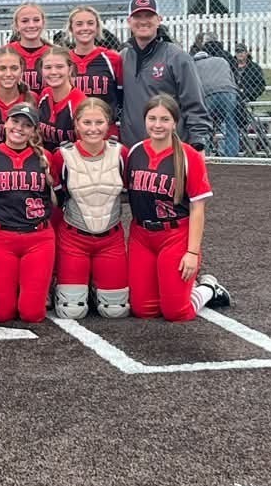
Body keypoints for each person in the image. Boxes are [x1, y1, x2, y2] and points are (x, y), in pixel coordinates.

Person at [126, 93, 231, 321]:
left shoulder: (188, 155)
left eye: (165, 119)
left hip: (175, 236)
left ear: (175, 122)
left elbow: (197, 208)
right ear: (144, 120)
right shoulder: (134, 152)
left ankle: (208, 289)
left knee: (176, 312)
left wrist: (192, 252)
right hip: (141, 236)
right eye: (152, 118)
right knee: (143, 310)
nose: (157, 125)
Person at [0, 103, 55, 323]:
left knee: (32, 314)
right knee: (1, 314)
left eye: (27, 125)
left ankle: (35, 293)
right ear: (5, 122)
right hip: (1, 237)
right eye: (15, 121)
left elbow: (58, 199)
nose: (19, 128)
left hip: (38, 238)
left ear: (34, 131)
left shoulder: (46, 158)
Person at [51, 98, 129, 320]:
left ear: (108, 124)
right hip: (74, 238)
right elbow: (57, 198)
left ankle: (97, 287)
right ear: (76, 124)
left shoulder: (121, 154)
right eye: (87, 122)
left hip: (111, 239)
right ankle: (74, 283)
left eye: (99, 122)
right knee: (71, 310)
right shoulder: (62, 156)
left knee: (115, 310)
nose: (93, 129)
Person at [120, 0, 211, 150]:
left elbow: (194, 102)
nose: (143, 21)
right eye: (137, 16)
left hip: (171, 148)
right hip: (134, 149)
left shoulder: (177, 57)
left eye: (149, 16)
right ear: (129, 21)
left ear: (159, 19)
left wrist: (198, 143)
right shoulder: (122, 57)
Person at [65, 5, 123, 136]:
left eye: (90, 23)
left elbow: (121, 97)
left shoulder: (112, 58)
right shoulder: (63, 60)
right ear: (71, 29)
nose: (85, 28)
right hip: (73, 132)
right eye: (79, 24)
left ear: (97, 28)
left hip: (105, 131)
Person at [193, 44, 240, 157]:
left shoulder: (193, 64)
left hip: (208, 94)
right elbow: (232, 79)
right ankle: (231, 156)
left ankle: (206, 153)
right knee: (230, 123)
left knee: (205, 124)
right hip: (229, 92)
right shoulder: (221, 60)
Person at [37, 45, 86, 151]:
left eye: (59, 67)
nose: (53, 72)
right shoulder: (45, 94)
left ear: (70, 69)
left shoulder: (80, 102)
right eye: (48, 67)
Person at [6, 2, 52, 94]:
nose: (31, 25)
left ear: (43, 23)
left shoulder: (53, 52)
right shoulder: (6, 52)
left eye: (36, 20)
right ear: (16, 25)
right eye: (25, 21)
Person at [234, 42, 266, 130]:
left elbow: (260, 86)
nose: (240, 53)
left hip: (248, 99)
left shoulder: (254, 68)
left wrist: (249, 94)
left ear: (247, 53)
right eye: (237, 51)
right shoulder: (231, 66)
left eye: (242, 51)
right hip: (233, 98)